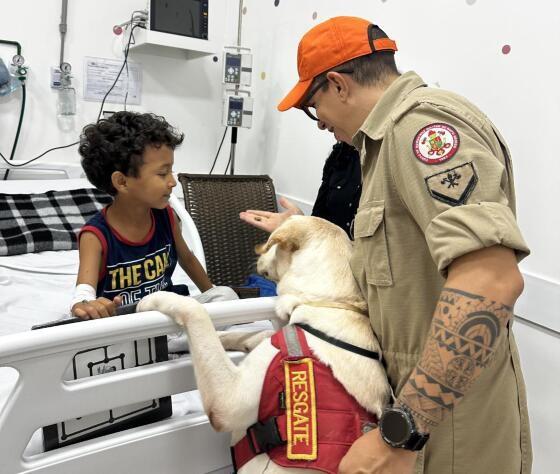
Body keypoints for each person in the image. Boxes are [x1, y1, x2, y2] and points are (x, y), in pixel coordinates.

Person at [273, 16, 531, 474]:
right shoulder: (380, 147)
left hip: (450, 427)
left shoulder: (420, 130)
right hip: (425, 410)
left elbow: (490, 281)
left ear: (337, 84)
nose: (319, 125)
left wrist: (402, 432)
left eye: (314, 108)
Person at [71, 111, 234, 320]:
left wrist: (213, 296)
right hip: (125, 321)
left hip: (168, 315)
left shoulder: (166, 216)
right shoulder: (95, 236)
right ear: (122, 182)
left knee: (227, 296)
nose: (173, 181)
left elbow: (188, 260)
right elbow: (83, 294)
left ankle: (177, 339)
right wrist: (85, 305)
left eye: (171, 171)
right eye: (162, 173)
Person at [240, 141, 361, 237]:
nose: (321, 125)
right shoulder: (340, 154)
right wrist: (301, 226)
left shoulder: (377, 161)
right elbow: (319, 220)